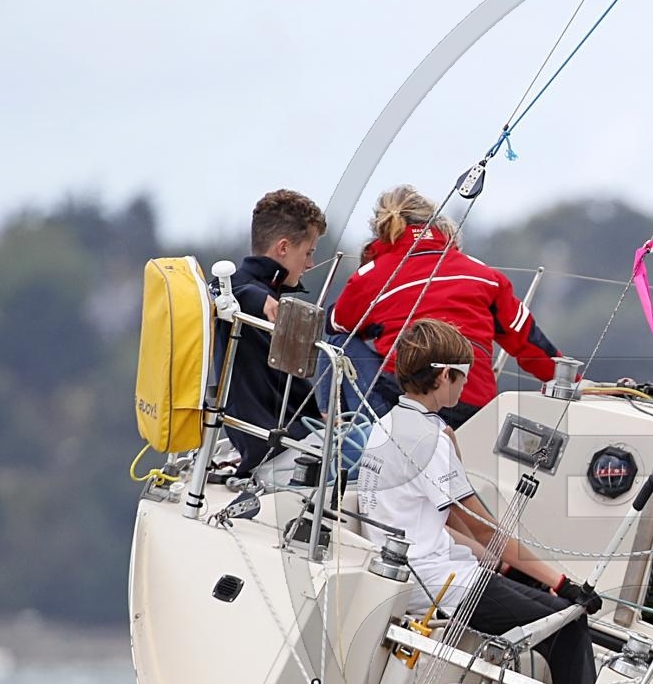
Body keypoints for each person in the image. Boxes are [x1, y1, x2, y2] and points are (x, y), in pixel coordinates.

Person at [355, 318, 599, 684]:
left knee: (556, 612)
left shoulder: (384, 426)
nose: (466, 385)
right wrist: (561, 582)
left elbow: (445, 518)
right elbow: (485, 529)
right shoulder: (432, 440)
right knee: (567, 623)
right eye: (464, 376)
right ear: (444, 376)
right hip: (441, 586)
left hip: (420, 575)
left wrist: (510, 569)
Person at [330, 186, 563, 427]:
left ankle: (343, 432)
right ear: (438, 223)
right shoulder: (485, 275)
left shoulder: (372, 276)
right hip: (473, 410)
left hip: (405, 405)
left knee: (337, 345)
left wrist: (374, 325)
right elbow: (528, 340)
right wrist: (569, 380)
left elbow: (337, 323)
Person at [219, 189, 325, 472]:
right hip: (279, 448)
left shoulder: (261, 292)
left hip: (290, 437)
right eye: (308, 253)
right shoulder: (241, 295)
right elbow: (218, 294)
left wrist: (317, 417)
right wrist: (254, 299)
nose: (310, 264)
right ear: (283, 248)